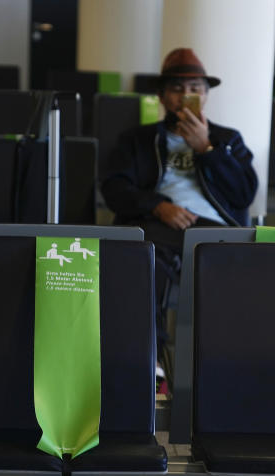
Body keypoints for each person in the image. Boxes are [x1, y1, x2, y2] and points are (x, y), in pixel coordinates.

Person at [101, 48, 258, 387]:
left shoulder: (227, 140)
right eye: (176, 88)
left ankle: (226, 369)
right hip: (156, 227)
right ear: (161, 95)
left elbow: (244, 193)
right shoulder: (137, 140)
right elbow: (114, 189)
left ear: (206, 95)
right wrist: (158, 205)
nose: (186, 96)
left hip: (213, 232)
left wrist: (207, 150)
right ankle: (151, 363)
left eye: (196, 88)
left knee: (151, 256)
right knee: (145, 260)